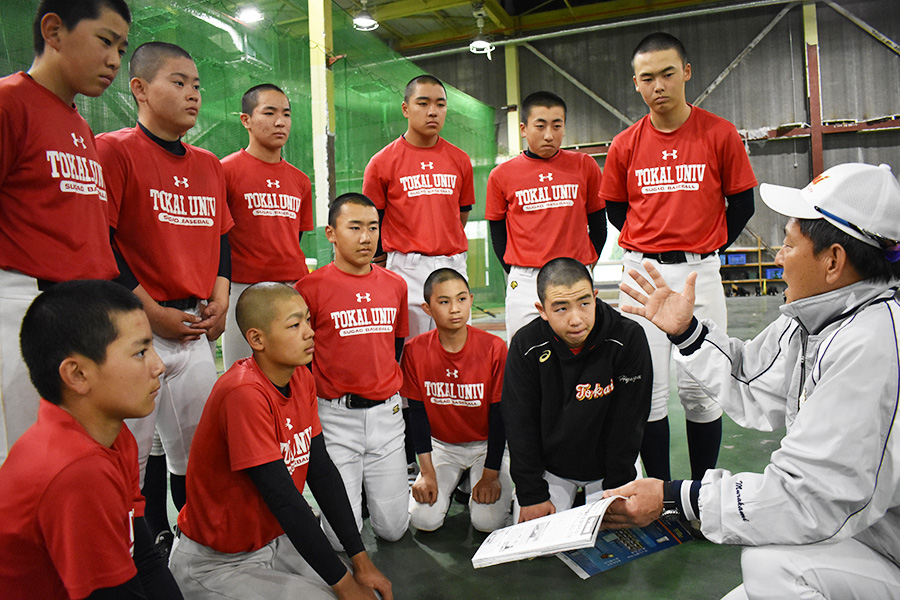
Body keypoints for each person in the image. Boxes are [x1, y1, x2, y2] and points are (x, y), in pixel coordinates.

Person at [605, 162, 900, 599]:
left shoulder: (873, 343)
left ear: (833, 260)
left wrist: (674, 497)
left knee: (771, 563)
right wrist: (687, 333)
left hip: (884, 548)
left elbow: (806, 499)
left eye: (787, 244)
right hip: (859, 534)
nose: (778, 257)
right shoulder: (819, 316)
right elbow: (753, 381)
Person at [169, 283, 393, 600]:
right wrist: (345, 586)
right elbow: (283, 498)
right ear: (256, 339)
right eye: (294, 325)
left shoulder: (299, 377)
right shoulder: (243, 393)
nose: (309, 332)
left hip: (273, 540)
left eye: (307, 320)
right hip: (217, 562)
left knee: (363, 588)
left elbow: (322, 472)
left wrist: (361, 561)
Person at [600, 32, 757, 482]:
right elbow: (615, 208)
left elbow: (742, 203)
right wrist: (652, 242)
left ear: (686, 72)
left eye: (668, 74)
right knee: (648, 391)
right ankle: (665, 493)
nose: (659, 86)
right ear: (636, 83)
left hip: (700, 271)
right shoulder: (625, 144)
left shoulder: (719, 133)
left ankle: (703, 490)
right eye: (647, 78)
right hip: (642, 271)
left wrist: (705, 247)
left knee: (702, 388)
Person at [96, 41, 232, 549]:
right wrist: (150, 312)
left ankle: (193, 551)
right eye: (178, 82)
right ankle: (130, 554)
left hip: (194, 329)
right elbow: (102, 241)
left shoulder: (209, 164)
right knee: (127, 458)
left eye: (196, 84)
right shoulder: (113, 150)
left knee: (197, 456)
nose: (193, 93)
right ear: (139, 88)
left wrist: (220, 295)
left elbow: (222, 236)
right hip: (134, 332)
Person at [0, 0, 130, 465]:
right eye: (105, 40)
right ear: (53, 31)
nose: (115, 59)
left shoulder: (79, 124)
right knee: (28, 464)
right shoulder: (9, 101)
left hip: (82, 310)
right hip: (24, 307)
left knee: (79, 461)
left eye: (121, 47)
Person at [0, 280, 183, 600]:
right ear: (77, 375)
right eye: (140, 352)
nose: (159, 365)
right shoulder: (75, 470)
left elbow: (144, 559)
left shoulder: (113, 435)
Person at [295, 193, 410, 547]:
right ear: (331, 233)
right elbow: (303, 358)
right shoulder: (308, 289)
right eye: (355, 227)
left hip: (387, 417)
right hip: (335, 419)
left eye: (373, 228)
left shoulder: (395, 285)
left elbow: (397, 345)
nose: (366, 237)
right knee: (340, 541)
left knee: (393, 530)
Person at [503, 257, 652, 523]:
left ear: (595, 297)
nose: (576, 319)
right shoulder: (526, 345)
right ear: (542, 310)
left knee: (611, 534)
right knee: (541, 548)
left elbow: (630, 423)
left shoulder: (628, 338)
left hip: (608, 469)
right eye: (561, 308)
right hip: (552, 469)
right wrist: (532, 494)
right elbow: (519, 424)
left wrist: (617, 487)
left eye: (584, 303)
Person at [485, 91, 606, 340]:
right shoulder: (501, 175)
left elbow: (598, 223)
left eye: (557, 126)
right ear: (523, 128)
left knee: (579, 348)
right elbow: (497, 231)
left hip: (574, 275)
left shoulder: (585, 166)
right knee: (525, 354)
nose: (549, 135)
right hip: (526, 280)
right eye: (540, 126)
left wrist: (584, 266)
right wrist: (515, 269)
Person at [362, 74, 474, 338]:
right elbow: (373, 220)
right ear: (405, 109)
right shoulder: (381, 162)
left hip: (453, 264)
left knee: (456, 348)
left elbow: (462, 213)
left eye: (440, 104)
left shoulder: (460, 160)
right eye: (423, 103)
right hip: (405, 268)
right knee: (410, 352)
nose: (432, 111)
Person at [402, 268, 512, 532]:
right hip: (443, 447)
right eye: (444, 301)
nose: (455, 309)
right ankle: (457, 481)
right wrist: (426, 473)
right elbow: (416, 415)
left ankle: (476, 481)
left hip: (487, 446)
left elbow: (500, 417)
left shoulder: (495, 348)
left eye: (461, 299)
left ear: (471, 300)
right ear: (427, 308)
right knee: (423, 521)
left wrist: (491, 475)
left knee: (487, 523)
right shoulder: (414, 350)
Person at [221, 83, 314, 369]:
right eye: (269, 112)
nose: (279, 122)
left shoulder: (300, 180)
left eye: (286, 114)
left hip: (291, 289)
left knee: (296, 374)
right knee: (243, 375)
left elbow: (294, 236)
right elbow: (218, 239)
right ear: (246, 120)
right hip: (242, 291)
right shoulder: (225, 171)